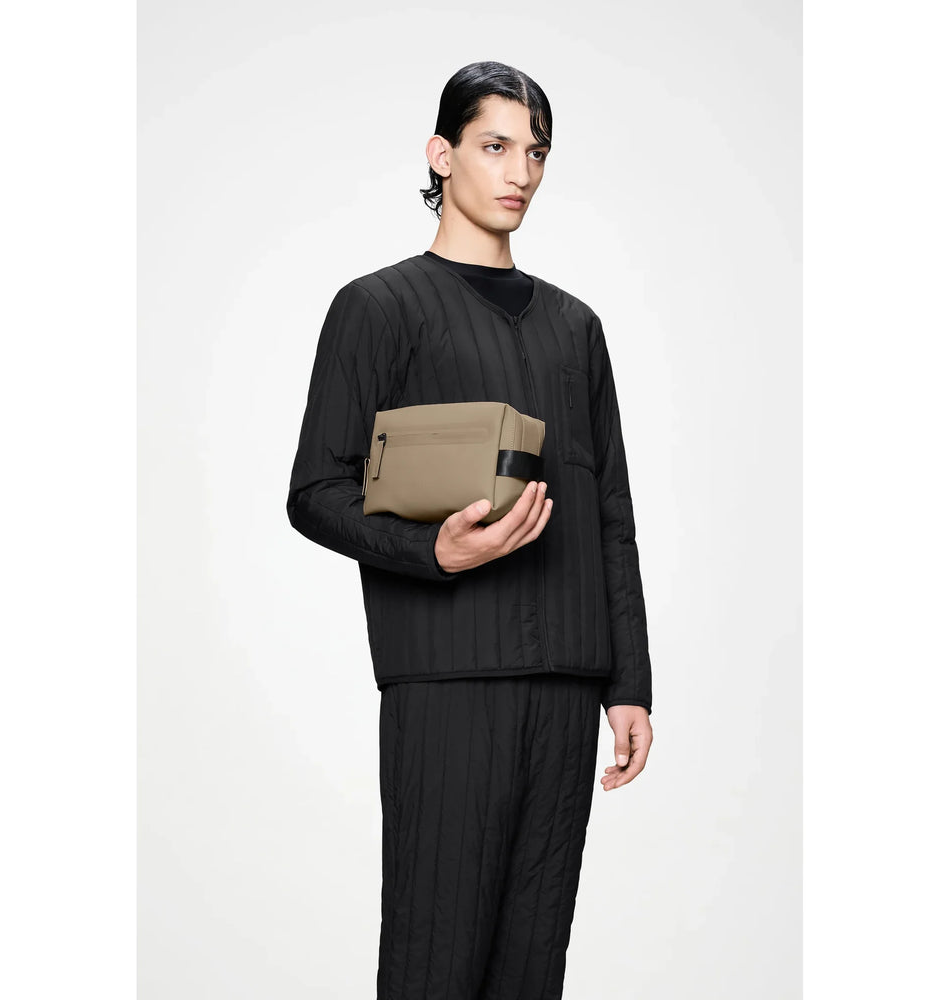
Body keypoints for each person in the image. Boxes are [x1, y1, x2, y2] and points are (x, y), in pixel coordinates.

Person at [286, 60, 654, 1000]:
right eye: (496, 146)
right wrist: (432, 552)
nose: (520, 172)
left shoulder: (577, 328)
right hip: (446, 683)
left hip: (566, 685)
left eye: (537, 153)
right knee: (435, 961)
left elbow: (612, 514)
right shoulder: (378, 308)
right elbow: (315, 491)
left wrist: (629, 684)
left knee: (532, 971)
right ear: (441, 154)